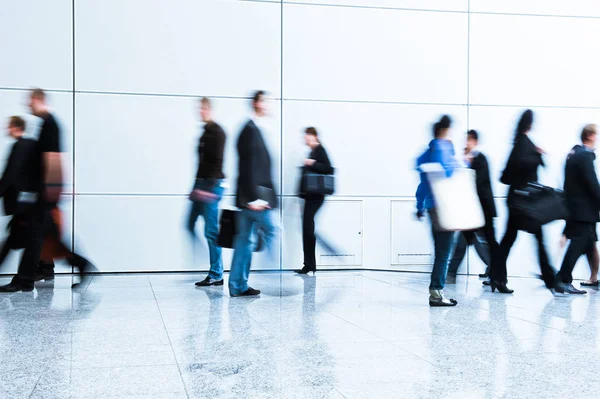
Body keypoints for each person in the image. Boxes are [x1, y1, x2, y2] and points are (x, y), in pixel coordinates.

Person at [0, 89, 64, 292]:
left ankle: (27, 279)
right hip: (40, 194)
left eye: (31, 101)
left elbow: (52, 159)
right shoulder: (43, 127)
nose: (28, 105)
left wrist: (51, 195)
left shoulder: (49, 124)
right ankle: (38, 273)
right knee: (37, 236)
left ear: (39, 100)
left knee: (29, 237)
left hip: (41, 195)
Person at [490, 109, 555, 294]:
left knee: (509, 240)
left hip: (516, 202)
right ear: (530, 124)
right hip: (525, 204)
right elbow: (519, 165)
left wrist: (535, 155)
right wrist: (536, 156)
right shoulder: (525, 145)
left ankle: (497, 277)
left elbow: (505, 175)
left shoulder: (519, 142)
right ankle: (552, 281)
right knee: (538, 240)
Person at [228, 91, 278, 297]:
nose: (270, 105)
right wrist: (253, 198)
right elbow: (248, 167)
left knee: (244, 241)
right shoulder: (249, 130)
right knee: (273, 230)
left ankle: (238, 285)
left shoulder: (255, 129)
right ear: (257, 103)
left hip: (251, 197)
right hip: (253, 199)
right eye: (266, 101)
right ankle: (273, 270)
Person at [416, 115, 460, 307]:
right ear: (445, 130)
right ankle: (436, 292)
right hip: (444, 207)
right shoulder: (443, 148)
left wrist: (419, 206)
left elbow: (423, 183)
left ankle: (436, 290)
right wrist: (456, 157)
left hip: (432, 206)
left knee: (440, 250)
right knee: (444, 252)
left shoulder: (427, 152)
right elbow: (449, 173)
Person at [446, 130, 498, 283]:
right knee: (469, 241)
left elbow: (478, 184)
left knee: (473, 242)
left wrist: (466, 163)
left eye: (469, 140)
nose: (467, 143)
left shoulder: (480, 159)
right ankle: (493, 271)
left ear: (475, 142)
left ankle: (452, 273)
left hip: (480, 210)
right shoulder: (470, 159)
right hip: (472, 210)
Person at [555, 125, 600, 294]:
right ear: (589, 135)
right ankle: (562, 278)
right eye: (596, 135)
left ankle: (591, 277)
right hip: (584, 210)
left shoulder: (572, 155)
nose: (597, 138)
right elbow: (592, 184)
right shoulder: (585, 156)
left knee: (588, 243)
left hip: (576, 208)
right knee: (580, 242)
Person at [188, 97, 227, 287]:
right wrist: (195, 187)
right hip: (201, 186)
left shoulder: (217, 132)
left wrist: (209, 190)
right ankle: (208, 261)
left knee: (211, 231)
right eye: (199, 109)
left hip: (212, 187)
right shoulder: (204, 132)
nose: (200, 112)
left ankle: (216, 273)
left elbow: (217, 163)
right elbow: (201, 164)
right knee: (188, 224)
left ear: (209, 109)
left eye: (203, 109)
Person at [295, 127, 333, 275]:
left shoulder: (320, 150)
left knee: (308, 229)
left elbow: (329, 169)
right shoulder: (312, 152)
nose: (306, 140)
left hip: (316, 197)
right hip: (310, 197)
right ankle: (308, 264)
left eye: (308, 137)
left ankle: (310, 265)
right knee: (307, 229)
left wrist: (312, 163)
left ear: (315, 137)